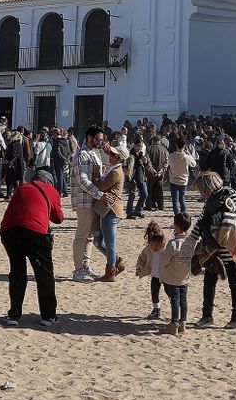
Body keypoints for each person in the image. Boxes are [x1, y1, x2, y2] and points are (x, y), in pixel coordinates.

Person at [0, 167, 64, 326]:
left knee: (17, 272)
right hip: (36, 233)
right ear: (49, 182)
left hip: (9, 231)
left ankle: (14, 315)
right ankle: (48, 316)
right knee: (44, 274)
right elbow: (59, 218)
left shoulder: (21, 187)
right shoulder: (51, 190)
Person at [193, 170, 236, 328]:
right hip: (213, 249)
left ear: (208, 187)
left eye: (202, 190)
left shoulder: (230, 195)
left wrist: (226, 221)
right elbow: (201, 222)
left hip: (233, 247)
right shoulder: (209, 201)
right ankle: (207, 316)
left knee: (235, 282)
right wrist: (189, 243)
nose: (202, 194)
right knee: (209, 281)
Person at [70, 126, 107, 283]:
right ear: (90, 137)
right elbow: (83, 181)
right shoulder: (82, 155)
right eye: (98, 139)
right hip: (84, 200)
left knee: (90, 237)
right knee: (82, 235)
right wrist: (100, 194)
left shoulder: (95, 153)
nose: (100, 142)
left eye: (101, 139)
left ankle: (86, 266)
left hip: (94, 201)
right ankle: (78, 269)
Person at [156, 212, 198, 335]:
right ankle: (183, 323)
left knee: (175, 300)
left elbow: (164, 261)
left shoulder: (173, 243)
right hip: (184, 276)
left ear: (176, 226)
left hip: (173, 277)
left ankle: (174, 323)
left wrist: (163, 268)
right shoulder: (192, 242)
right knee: (183, 300)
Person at [93, 143, 127, 282]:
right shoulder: (114, 169)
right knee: (99, 241)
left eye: (113, 155)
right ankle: (117, 261)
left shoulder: (115, 172)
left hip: (110, 211)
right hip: (107, 210)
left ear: (119, 158)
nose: (110, 156)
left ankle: (110, 272)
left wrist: (95, 175)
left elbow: (101, 186)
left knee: (109, 243)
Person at [135, 219, 167, 320]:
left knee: (169, 291)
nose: (155, 247)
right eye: (152, 245)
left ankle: (175, 307)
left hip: (166, 276)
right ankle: (156, 309)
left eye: (158, 245)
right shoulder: (148, 250)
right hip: (155, 275)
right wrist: (139, 268)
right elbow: (141, 258)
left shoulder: (166, 250)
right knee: (154, 293)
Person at [166, 136, 196, 216]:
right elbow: (194, 164)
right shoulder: (187, 157)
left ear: (176, 145)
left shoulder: (171, 156)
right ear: (184, 146)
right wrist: (188, 153)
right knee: (182, 199)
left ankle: (177, 216)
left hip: (173, 180)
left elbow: (167, 163)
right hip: (183, 180)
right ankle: (184, 216)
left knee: (175, 200)